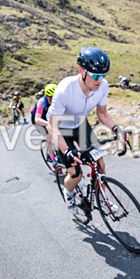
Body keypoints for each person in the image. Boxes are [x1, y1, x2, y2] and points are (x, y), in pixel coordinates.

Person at [47, 47, 126, 211]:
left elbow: (102, 114)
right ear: (82, 70)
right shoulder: (65, 89)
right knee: (76, 175)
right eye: (96, 75)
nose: (100, 80)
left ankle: (101, 198)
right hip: (62, 129)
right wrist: (67, 150)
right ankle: (68, 194)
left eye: (103, 75)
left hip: (81, 125)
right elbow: (51, 126)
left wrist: (117, 129)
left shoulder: (102, 86)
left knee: (100, 165)